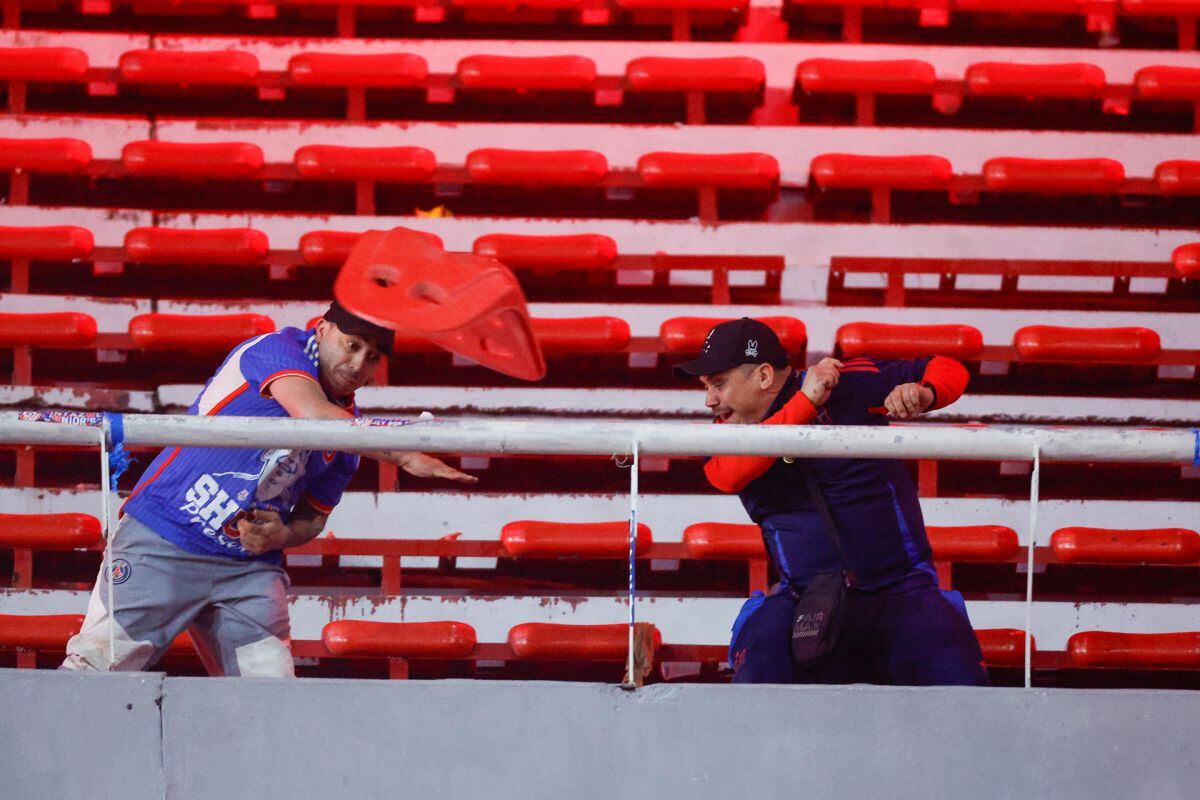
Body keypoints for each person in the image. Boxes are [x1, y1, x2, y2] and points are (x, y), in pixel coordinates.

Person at [62, 301, 475, 677]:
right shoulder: (274, 350)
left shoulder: (350, 438)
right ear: (323, 330)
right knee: (92, 674)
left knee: (269, 702)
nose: (357, 364)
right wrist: (402, 453)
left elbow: (313, 518)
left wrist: (283, 535)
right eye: (351, 345)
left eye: (372, 357)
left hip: (247, 570)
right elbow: (310, 413)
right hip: (162, 538)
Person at [676, 317, 989, 686]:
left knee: (961, 686)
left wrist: (925, 393)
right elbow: (726, 476)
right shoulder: (726, 433)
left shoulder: (848, 382)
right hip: (804, 600)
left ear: (763, 376)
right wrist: (807, 403)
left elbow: (946, 367)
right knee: (757, 682)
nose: (710, 400)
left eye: (718, 384)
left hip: (901, 591)